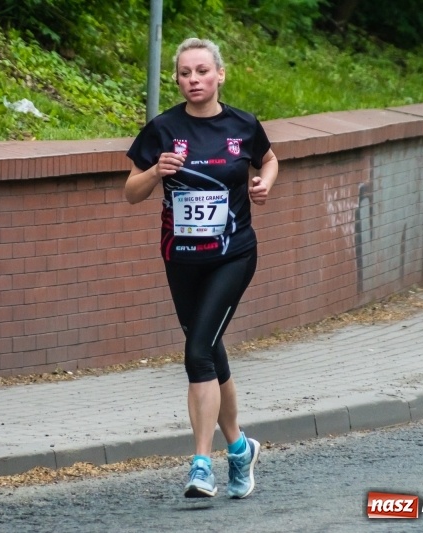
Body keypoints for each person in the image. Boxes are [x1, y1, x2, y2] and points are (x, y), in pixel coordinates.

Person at [124, 37, 278, 499]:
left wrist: (262, 184)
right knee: (210, 351)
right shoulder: (163, 129)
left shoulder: (243, 126)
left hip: (233, 255)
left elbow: (269, 160)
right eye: (185, 73)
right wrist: (156, 172)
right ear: (177, 79)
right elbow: (130, 191)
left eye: (202, 71)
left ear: (220, 75)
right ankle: (238, 447)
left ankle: (200, 465)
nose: (194, 80)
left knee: (196, 355)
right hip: (181, 259)